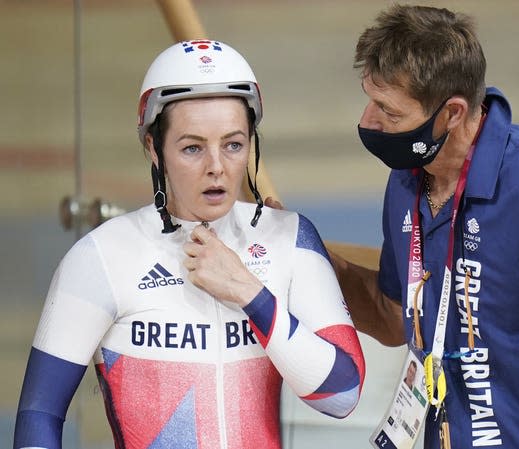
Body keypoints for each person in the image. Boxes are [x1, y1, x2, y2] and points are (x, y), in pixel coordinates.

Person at [14, 39, 365, 449]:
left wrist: (249, 293)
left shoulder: (290, 238)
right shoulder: (101, 257)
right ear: (153, 148)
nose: (216, 167)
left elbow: (342, 396)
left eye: (233, 144)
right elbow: (40, 416)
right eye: (192, 148)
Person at [328, 5, 519, 449]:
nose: (368, 121)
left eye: (388, 111)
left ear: (452, 113)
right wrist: (301, 259)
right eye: (370, 100)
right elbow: (393, 316)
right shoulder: (408, 180)